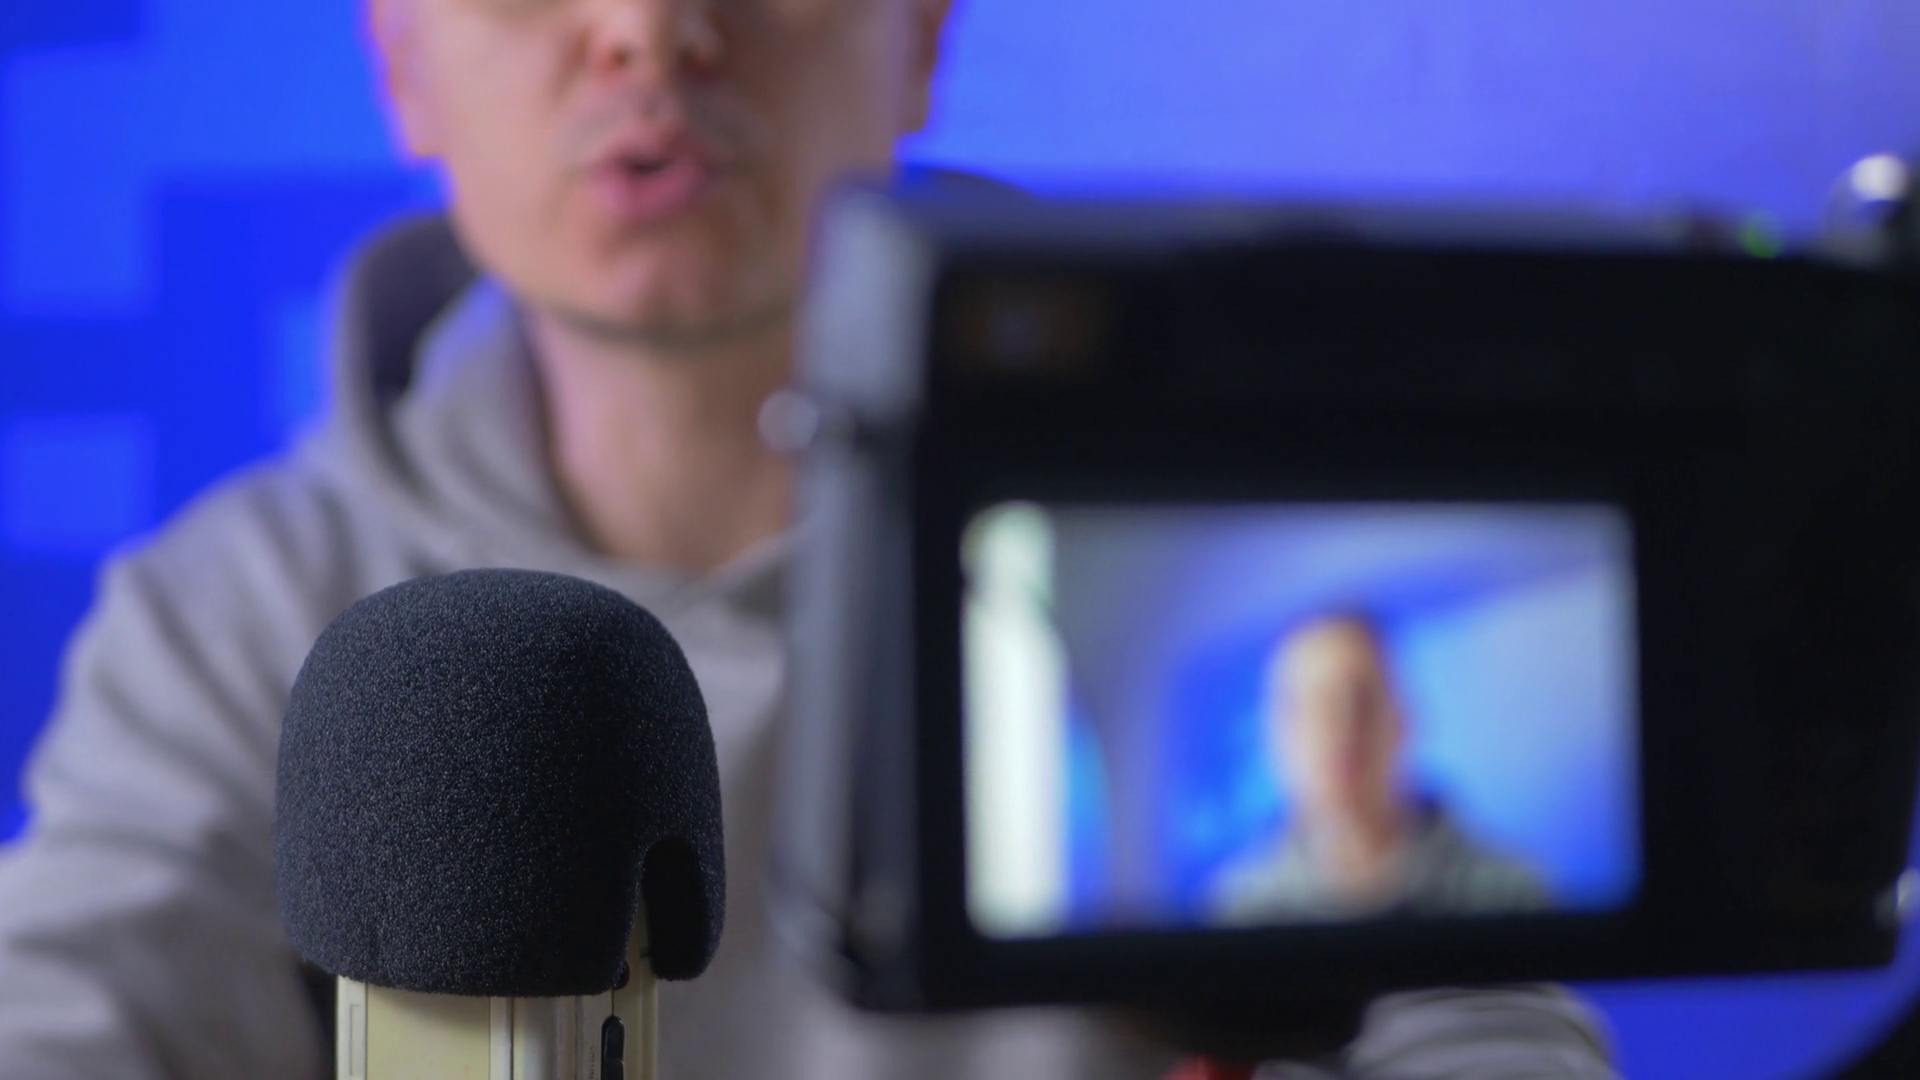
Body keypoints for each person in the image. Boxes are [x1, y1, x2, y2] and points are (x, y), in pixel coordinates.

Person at [0, 0, 1614, 1076]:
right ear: (402, 63)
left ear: (924, 35)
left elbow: (1472, 1017)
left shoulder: (1202, 524)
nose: (649, 29)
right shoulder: (234, 610)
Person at [1213, 611, 1550, 925]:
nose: (1341, 726)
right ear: (1276, 735)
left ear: (1403, 721)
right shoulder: (1239, 909)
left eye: (1361, 700)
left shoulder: (1508, 894)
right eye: (1314, 704)